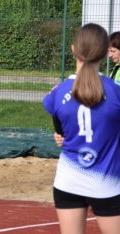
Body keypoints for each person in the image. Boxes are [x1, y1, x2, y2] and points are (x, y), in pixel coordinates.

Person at [43, 23, 120, 234]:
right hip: (107, 182)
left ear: (73, 49)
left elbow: (59, 126)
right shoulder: (115, 92)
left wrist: (61, 135)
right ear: (105, 52)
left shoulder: (57, 93)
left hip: (68, 181)